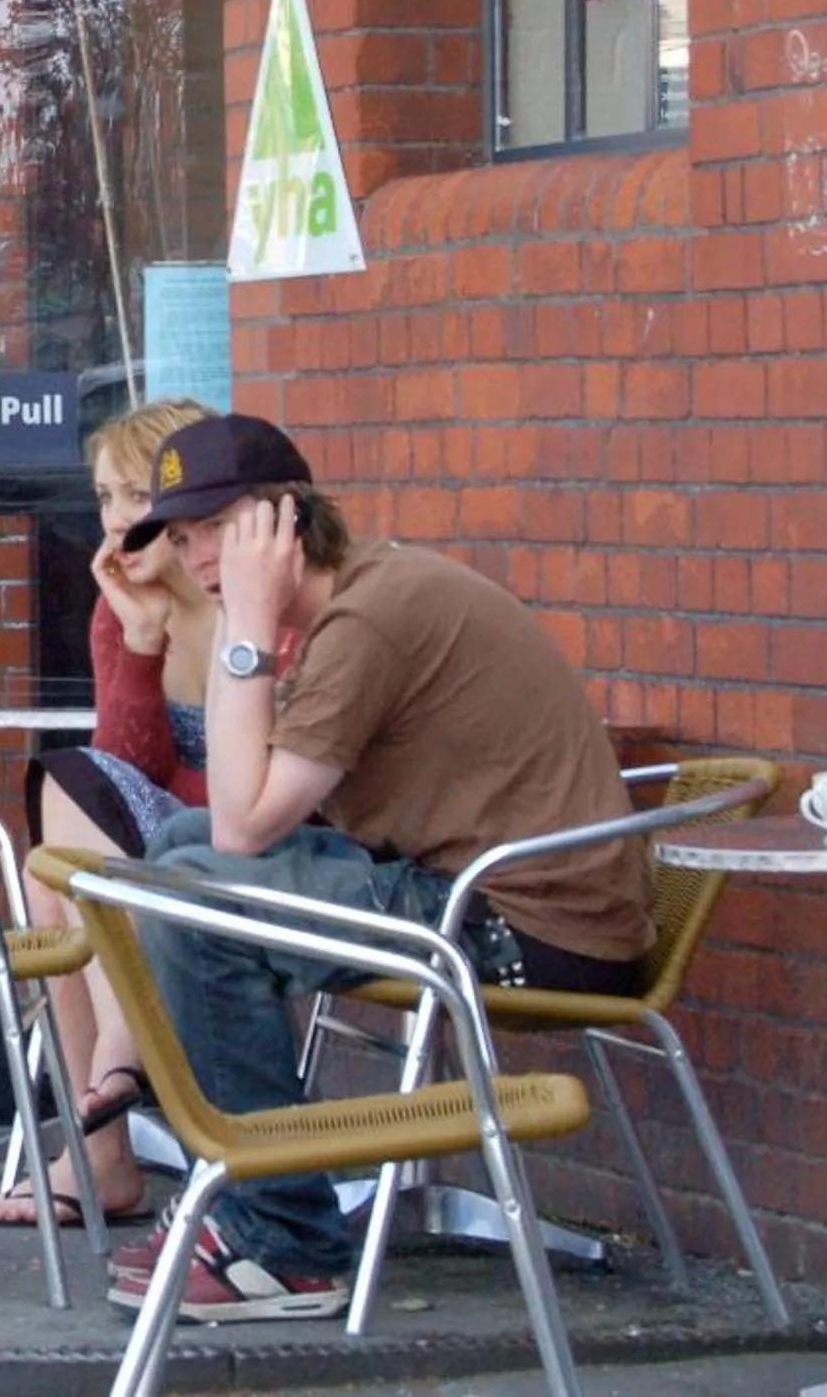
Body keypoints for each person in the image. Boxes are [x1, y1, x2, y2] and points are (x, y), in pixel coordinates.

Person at [110, 412, 653, 1322]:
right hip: (472, 894)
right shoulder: (352, 601)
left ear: (280, 520)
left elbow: (247, 828)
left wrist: (242, 620)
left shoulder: (369, 619)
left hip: (524, 925)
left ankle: (284, 1242)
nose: (191, 551)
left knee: (194, 900)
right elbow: (238, 810)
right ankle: (247, 1203)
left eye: (210, 526)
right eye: (178, 533)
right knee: (173, 848)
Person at [0, 396, 216, 1229]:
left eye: (136, 497)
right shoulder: (122, 607)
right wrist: (142, 641)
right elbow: (126, 766)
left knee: (58, 868)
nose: (116, 520)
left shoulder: (249, 597)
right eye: (105, 498)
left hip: (264, 840)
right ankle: (111, 1101)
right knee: (56, 868)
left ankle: (103, 1138)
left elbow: (275, 770)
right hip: (159, 850)